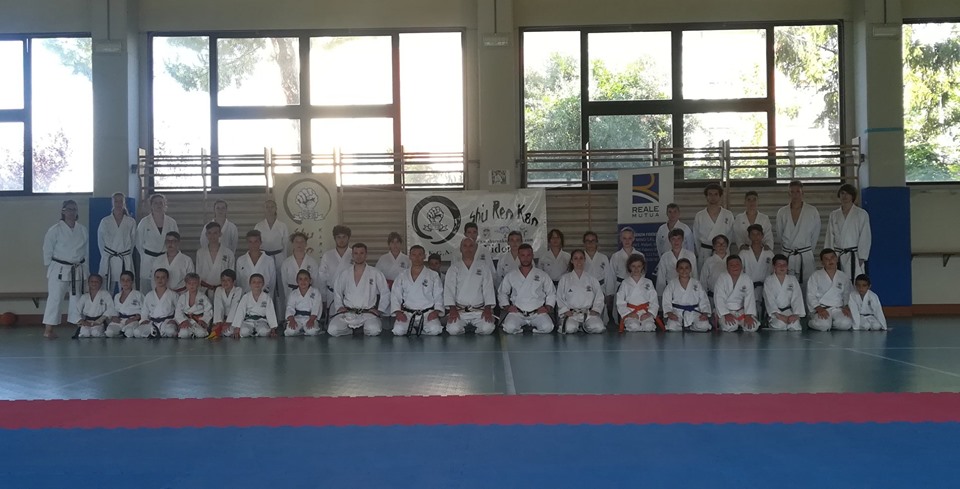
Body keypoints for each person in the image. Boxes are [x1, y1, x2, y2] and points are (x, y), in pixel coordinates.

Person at [42, 199, 88, 339]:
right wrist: (50, 266)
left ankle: (79, 326)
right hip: (59, 269)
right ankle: (48, 329)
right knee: (55, 299)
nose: (71, 212)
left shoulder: (82, 229)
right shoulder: (55, 230)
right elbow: (47, 249)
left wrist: (85, 269)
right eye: (68, 209)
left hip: (77, 268)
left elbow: (85, 252)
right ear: (63, 211)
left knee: (77, 299)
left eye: (74, 209)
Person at [328, 243, 390, 337]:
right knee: (333, 330)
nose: (358, 256)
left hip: (368, 313)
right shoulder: (345, 273)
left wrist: (380, 310)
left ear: (366, 255)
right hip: (348, 312)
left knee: (374, 330)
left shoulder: (375, 273)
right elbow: (337, 291)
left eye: (361, 253)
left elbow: (385, 292)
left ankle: (361, 329)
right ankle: (351, 331)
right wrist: (339, 306)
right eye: (356, 253)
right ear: (352, 255)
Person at [499, 243, 556, 334]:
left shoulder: (542, 275)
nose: (525, 258)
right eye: (523, 255)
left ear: (532, 256)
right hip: (517, 313)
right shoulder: (511, 275)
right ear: (518, 256)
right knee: (509, 328)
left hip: (537, 313)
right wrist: (507, 306)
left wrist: (547, 307)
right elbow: (502, 293)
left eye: (528, 255)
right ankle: (525, 329)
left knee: (548, 327)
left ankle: (530, 330)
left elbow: (551, 292)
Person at [444, 237, 497, 335]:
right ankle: (465, 329)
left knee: (488, 328)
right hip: (460, 311)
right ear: (461, 249)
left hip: (479, 310)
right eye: (465, 246)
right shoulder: (454, 268)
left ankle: (474, 329)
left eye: (471, 246)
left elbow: (488, 289)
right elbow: (449, 290)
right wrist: (452, 309)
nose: (468, 249)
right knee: (453, 330)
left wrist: (488, 309)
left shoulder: (483, 267)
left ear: (475, 249)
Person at [390, 245, 444, 336]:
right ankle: (417, 329)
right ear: (410, 256)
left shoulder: (433, 275)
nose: (417, 258)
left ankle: (415, 329)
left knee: (435, 330)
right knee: (398, 330)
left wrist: (436, 311)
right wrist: (398, 312)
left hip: (427, 313)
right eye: (414, 255)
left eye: (420, 255)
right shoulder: (402, 275)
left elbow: (439, 295)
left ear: (424, 256)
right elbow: (395, 295)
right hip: (408, 313)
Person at [776, 180, 821, 285]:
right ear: (789, 193)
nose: (795, 194)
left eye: (798, 191)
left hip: (805, 254)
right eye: (792, 192)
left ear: (802, 193)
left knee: (808, 285)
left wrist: (807, 250)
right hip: (788, 253)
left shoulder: (812, 211)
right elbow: (779, 233)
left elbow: (815, 234)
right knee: (787, 285)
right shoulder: (782, 212)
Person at [825, 184, 872, 280]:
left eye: (848, 193)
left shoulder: (861, 214)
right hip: (837, 255)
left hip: (854, 255)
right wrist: (828, 256)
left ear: (852, 196)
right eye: (842, 193)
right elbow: (830, 236)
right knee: (837, 283)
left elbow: (865, 236)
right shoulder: (834, 214)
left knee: (855, 282)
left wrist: (862, 257)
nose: (845, 196)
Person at [556, 249, 605, 334]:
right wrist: (565, 311)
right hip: (572, 314)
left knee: (599, 327)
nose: (579, 261)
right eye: (575, 258)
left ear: (585, 260)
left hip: (588, 313)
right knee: (570, 328)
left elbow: (599, 296)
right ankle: (578, 326)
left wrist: (596, 309)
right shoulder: (565, 279)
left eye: (581, 258)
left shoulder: (592, 279)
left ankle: (583, 326)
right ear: (571, 261)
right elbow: (559, 297)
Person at [137, 193, 178, 291]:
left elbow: (175, 241)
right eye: (155, 203)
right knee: (146, 287)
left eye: (161, 203)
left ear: (165, 205)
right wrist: (145, 255)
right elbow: (138, 242)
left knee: (165, 284)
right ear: (151, 205)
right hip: (148, 258)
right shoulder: (144, 222)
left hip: (164, 257)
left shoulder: (171, 222)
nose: (158, 205)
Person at [806, 249, 854, 331]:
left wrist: (846, 306)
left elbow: (847, 294)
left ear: (837, 259)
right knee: (823, 326)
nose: (830, 260)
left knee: (846, 324)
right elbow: (810, 295)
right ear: (822, 262)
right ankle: (811, 322)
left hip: (838, 308)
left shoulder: (843, 276)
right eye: (826, 259)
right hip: (821, 308)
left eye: (832, 257)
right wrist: (818, 308)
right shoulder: (815, 276)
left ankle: (831, 324)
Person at [97, 192, 136, 292]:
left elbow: (133, 241)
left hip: (124, 258)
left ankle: (125, 303)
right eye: (116, 201)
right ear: (112, 203)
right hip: (109, 258)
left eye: (121, 201)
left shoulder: (131, 221)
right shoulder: (105, 221)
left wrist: (126, 254)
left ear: (124, 203)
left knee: (126, 288)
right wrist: (106, 255)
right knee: (105, 289)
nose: (118, 204)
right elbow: (100, 242)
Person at [254, 199, 289, 307]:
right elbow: (256, 244)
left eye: (272, 207)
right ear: (264, 209)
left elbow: (285, 245)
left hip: (279, 257)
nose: (269, 209)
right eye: (267, 207)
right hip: (264, 257)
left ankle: (281, 312)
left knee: (280, 286)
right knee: (265, 284)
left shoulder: (282, 226)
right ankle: (264, 310)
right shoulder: (259, 226)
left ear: (276, 209)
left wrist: (284, 260)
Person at [661, 258, 712, 332]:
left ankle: (691, 327)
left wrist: (705, 313)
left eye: (686, 268)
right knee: (672, 326)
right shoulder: (672, 284)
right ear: (677, 270)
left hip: (694, 312)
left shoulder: (696, 283)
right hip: (677, 312)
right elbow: (666, 300)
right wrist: (669, 313)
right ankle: (682, 326)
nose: (684, 270)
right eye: (681, 268)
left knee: (704, 326)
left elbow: (703, 299)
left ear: (690, 269)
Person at [713, 255, 759, 333]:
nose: (735, 267)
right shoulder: (722, 278)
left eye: (737, 264)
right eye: (732, 265)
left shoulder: (746, 279)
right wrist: (726, 314)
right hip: (726, 310)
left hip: (741, 311)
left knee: (753, 327)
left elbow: (750, 298)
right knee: (730, 326)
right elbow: (718, 298)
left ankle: (740, 323)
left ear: (741, 266)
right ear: (727, 268)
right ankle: (721, 321)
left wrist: (748, 315)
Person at [693, 183, 735, 266]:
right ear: (706, 197)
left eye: (716, 194)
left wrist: (723, 248)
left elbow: (731, 235)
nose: (713, 197)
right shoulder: (700, 215)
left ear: (720, 196)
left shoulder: (728, 214)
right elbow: (696, 237)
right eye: (710, 194)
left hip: (723, 252)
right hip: (705, 251)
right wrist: (701, 251)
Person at [615, 254, 659, 332]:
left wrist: (649, 313)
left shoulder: (648, 282)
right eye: (633, 266)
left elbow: (654, 300)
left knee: (649, 326)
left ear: (642, 267)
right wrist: (628, 313)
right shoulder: (625, 283)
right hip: (630, 312)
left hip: (645, 312)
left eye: (639, 266)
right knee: (633, 326)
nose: (636, 269)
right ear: (629, 267)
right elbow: (620, 301)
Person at [763, 254, 806, 331]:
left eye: (784, 265)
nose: (782, 267)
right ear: (774, 266)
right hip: (775, 313)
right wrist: (779, 316)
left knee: (794, 325)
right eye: (779, 264)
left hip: (789, 312)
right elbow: (769, 300)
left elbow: (797, 298)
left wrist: (795, 315)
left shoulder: (792, 279)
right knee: (780, 325)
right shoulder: (768, 280)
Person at [740, 224, 774, 316]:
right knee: (751, 312)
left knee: (765, 312)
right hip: (749, 287)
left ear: (762, 236)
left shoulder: (769, 253)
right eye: (753, 234)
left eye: (758, 234)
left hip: (765, 286)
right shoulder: (743, 252)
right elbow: (740, 272)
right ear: (749, 236)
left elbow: (773, 272)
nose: (756, 237)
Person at [320, 225, 354, 316]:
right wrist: (324, 298)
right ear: (334, 238)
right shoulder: (327, 255)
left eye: (344, 237)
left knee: (351, 320)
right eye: (338, 237)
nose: (341, 240)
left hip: (350, 295)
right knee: (333, 321)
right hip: (332, 294)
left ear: (348, 238)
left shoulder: (354, 254)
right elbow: (322, 278)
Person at [232, 274, 279, 338]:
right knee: (244, 332)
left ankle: (256, 332)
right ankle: (253, 332)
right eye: (254, 282)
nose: (257, 284)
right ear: (250, 284)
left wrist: (273, 329)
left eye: (259, 282)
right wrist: (237, 327)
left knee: (264, 332)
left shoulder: (267, 297)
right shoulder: (246, 297)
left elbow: (270, 313)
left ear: (263, 284)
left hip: (262, 321)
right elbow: (240, 312)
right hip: (248, 321)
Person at [196, 221, 235, 298]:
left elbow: (232, 275)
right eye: (209, 233)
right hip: (204, 290)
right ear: (206, 234)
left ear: (220, 234)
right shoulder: (200, 253)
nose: (212, 236)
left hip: (223, 290)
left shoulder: (228, 253)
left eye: (215, 233)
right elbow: (198, 274)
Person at [137, 268, 179, 338]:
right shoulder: (149, 295)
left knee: (171, 331)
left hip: (167, 322)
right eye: (157, 277)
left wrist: (175, 320)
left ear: (167, 279)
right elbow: (144, 311)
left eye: (163, 277)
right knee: (137, 332)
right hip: (152, 322)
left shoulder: (173, 295)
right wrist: (144, 320)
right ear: (154, 279)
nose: (160, 280)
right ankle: (155, 332)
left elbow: (179, 310)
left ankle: (158, 332)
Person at [656, 228, 698, 295]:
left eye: (679, 238)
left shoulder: (690, 255)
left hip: (688, 289)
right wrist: (660, 295)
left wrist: (696, 291)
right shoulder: (665, 257)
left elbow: (694, 275)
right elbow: (661, 278)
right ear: (669, 240)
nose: (676, 241)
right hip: (671, 290)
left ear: (683, 239)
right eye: (673, 239)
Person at [284, 269, 323, 337]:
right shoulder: (293, 293)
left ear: (310, 280)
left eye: (306, 279)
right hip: (297, 318)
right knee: (290, 331)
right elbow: (290, 307)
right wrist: (292, 320)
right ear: (297, 281)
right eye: (300, 279)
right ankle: (301, 331)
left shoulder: (315, 292)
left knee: (312, 331)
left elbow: (316, 307)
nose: (303, 281)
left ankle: (311, 329)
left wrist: (312, 320)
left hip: (310, 317)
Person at [74, 274, 115, 338]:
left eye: (97, 282)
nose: (94, 283)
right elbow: (76, 310)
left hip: (99, 322)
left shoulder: (105, 294)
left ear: (101, 283)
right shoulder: (84, 296)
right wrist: (82, 321)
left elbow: (111, 308)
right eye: (92, 281)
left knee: (95, 333)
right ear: (88, 283)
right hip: (87, 322)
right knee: (85, 334)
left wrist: (100, 320)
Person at [281, 232, 321, 297]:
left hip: (308, 294)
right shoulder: (286, 263)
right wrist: (287, 297)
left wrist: (314, 297)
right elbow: (284, 283)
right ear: (293, 244)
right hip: (291, 293)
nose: (299, 244)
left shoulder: (312, 262)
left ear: (306, 244)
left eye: (302, 241)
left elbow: (315, 283)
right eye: (296, 241)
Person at [236, 230, 276, 296]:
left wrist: (269, 297)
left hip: (264, 296)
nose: (253, 245)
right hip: (246, 297)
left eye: (256, 241)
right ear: (247, 243)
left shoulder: (269, 260)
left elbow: (272, 282)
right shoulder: (240, 260)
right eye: (250, 242)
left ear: (260, 242)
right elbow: (239, 282)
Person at [105, 270, 143, 338]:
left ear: (132, 282)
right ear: (120, 281)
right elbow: (114, 310)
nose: (125, 282)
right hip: (120, 320)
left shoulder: (138, 295)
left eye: (128, 280)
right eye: (123, 280)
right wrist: (114, 317)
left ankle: (123, 333)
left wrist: (136, 318)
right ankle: (120, 333)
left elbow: (144, 310)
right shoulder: (117, 296)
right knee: (109, 332)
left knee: (129, 332)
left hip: (132, 320)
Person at [175, 273, 212, 339]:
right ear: (186, 284)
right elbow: (178, 311)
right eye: (189, 283)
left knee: (201, 333)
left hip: (199, 321)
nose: (191, 285)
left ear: (198, 284)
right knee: (184, 334)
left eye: (194, 283)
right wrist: (183, 321)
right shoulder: (182, 297)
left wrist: (204, 320)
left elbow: (208, 310)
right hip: (186, 321)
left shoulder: (203, 297)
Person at [211, 269, 243, 338]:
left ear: (234, 282)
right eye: (223, 280)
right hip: (222, 320)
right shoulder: (218, 290)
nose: (225, 282)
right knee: (215, 331)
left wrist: (228, 322)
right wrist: (218, 322)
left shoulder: (238, 290)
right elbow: (218, 306)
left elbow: (235, 306)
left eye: (228, 280)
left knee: (227, 332)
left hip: (234, 320)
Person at [699, 234, 730, 303]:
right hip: (712, 296)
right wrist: (704, 297)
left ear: (727, 246)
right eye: (718, 244)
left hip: (729, 296)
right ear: (713, 246)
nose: (721, 246)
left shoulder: (731, 260)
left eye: (723, 244)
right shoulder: (709, 261)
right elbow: (703, 280)